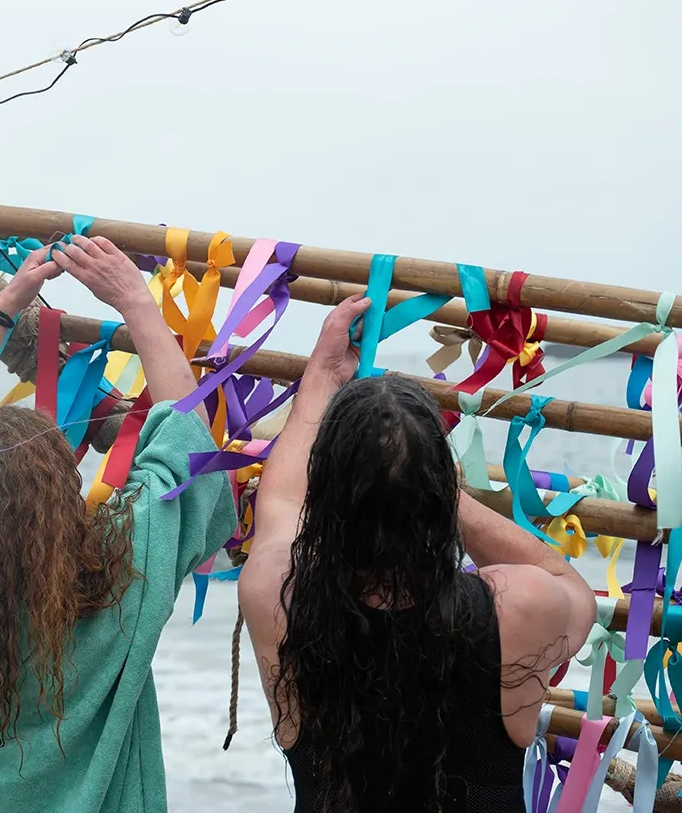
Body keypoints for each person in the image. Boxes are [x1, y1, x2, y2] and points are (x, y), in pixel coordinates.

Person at [0, 234, 237, 813]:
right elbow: (188, 452)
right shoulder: (120, 582)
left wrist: (5, 305)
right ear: (63, 509)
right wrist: (136, 303)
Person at [238, 296, 597, 812]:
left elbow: (280, 504)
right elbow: (569, 585)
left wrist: (323, 372)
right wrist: (424, 484)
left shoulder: (278, 595)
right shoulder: (518, 604)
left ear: (328, 493)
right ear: (440, 489)